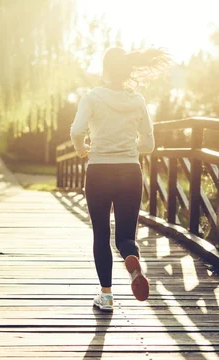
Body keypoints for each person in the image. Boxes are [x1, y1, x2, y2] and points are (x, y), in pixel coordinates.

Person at [70, 47, 170, 311]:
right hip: (129, 172)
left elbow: (77, 130)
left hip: (99, 171)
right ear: (127, 71)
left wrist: (81, 149)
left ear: (105, 70)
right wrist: (129, 148)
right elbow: (148, 143)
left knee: (101, 235)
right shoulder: (137, 100)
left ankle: (106, 296)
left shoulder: (91, 98)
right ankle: (132, 259)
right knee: (125, 236)